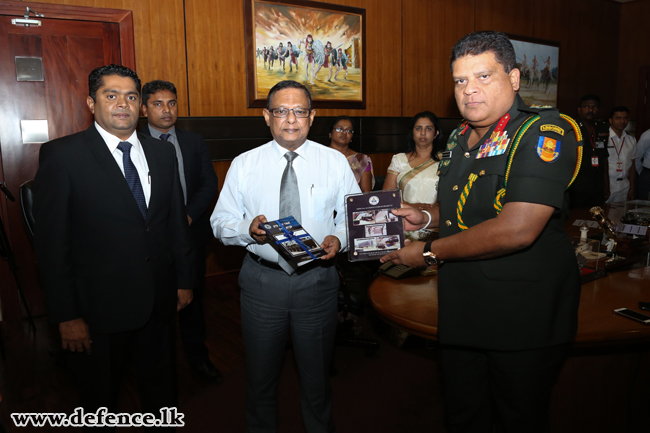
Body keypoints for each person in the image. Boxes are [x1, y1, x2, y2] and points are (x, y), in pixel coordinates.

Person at [381, 31, 581, 433]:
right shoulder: (457, 138)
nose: (469, 90)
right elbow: (461, 210)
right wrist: (426, 217)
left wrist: (428, 252)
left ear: (514, 78)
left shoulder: (543, 133)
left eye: (483, 76)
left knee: (517, 418)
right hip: (462, 307)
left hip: (521, 314)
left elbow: (516, 230)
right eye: (459, 80)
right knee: (463, 413)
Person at [33, 65, 194, 425]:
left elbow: (173, 225)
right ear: (92, 103)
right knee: (99, 402)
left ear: (140, 106)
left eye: (131, 96)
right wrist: (66, 315)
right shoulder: (62, 156)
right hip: (97, 312)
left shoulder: (163, 154)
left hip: (159, 303)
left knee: (162, 397)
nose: (122, 104)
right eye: (111, 95)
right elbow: (52, 245)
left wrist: (184, 280)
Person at [211, 80, 360, 433]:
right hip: (263, 284)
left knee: (316, 378)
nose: (290, 119)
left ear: (312, 116)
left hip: (317, 282)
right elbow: (219, 222)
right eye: (280, 111)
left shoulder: (334, 162)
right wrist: (247, 228)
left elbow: (355, 219)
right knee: (260, 379)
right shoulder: (244, 164)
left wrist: (338, 239)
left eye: (299, 111)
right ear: (266, 116)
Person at [140, 80, 222, 384]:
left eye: (171, 103)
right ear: (144, 108)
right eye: (158, 103)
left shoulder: (193, 141)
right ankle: (156, 367)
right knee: (151, 303)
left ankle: (198, 359)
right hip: (150, 241)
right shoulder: (133, 143)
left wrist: (185, 216)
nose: (166, 109)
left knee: (192, 300)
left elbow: (208, 184)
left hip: (190, 235)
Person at [383, 111, 445, 240]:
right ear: (412, 132)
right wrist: (412, 206)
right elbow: (386, 197)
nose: (423, 133)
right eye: (418, 128)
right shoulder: (399, 159)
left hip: (437, 225)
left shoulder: (446, 160)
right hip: (405, 225)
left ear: (436, 133)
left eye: (428, 128)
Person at [569, 94, 610, 208]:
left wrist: (606, 185)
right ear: (579, 109)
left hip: (597, 184)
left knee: (597, 217)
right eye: (586, 106)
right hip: (577, 184)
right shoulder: (571, 127)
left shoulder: (602, 127)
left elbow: (604, 157)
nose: (591, 110)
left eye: (595, 107)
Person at [328, 115, 374, 192]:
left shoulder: (362, 160)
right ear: (330, 133)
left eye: (349, 130)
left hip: (354, 202)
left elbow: (366, 192)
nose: (344, 133)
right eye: (339, 129)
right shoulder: (320, 155)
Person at [606, 106, 637, 203]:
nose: (622, 121)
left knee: (620, 215)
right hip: (608, 184)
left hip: (624, 185)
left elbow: (632, 166)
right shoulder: (603, 138)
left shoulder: (631, 140)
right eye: (618, 118)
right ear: (611, 120)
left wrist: (632, 189)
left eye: (625, 118)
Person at [635, 128, 650, 200]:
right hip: (648, 175)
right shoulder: (647, 135)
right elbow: (637, 157)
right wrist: (641, 173)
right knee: (644, 205)